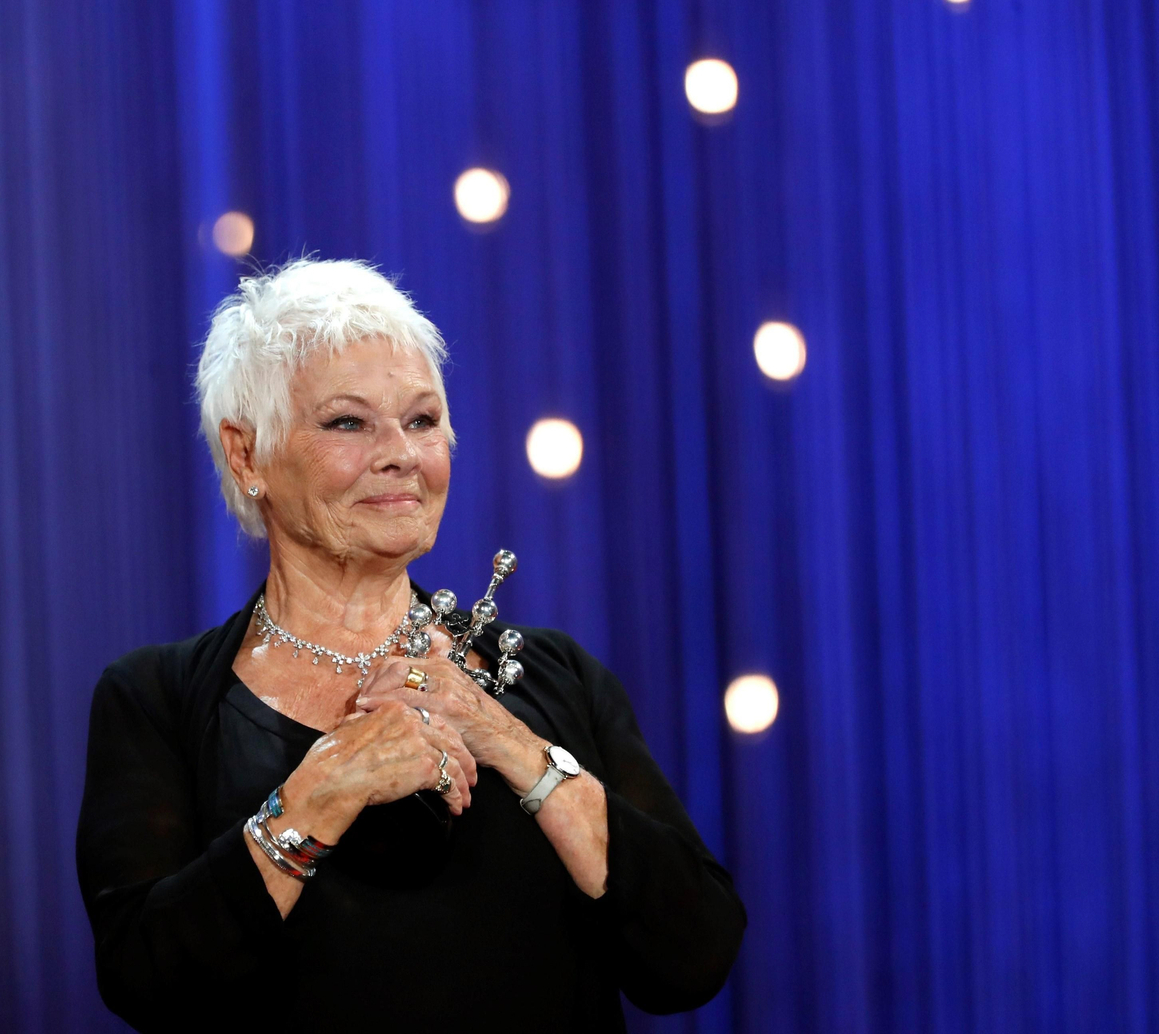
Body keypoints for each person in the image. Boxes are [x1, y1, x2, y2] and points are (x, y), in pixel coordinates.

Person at [76, 259, 745, 1031]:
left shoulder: (555, 678)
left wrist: (508, 742)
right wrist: (326, 788)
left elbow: (694, 956)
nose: (401, 453)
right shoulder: (158, 699)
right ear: (246, 454)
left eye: (422, 421)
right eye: (347, 422)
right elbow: (147, 980)